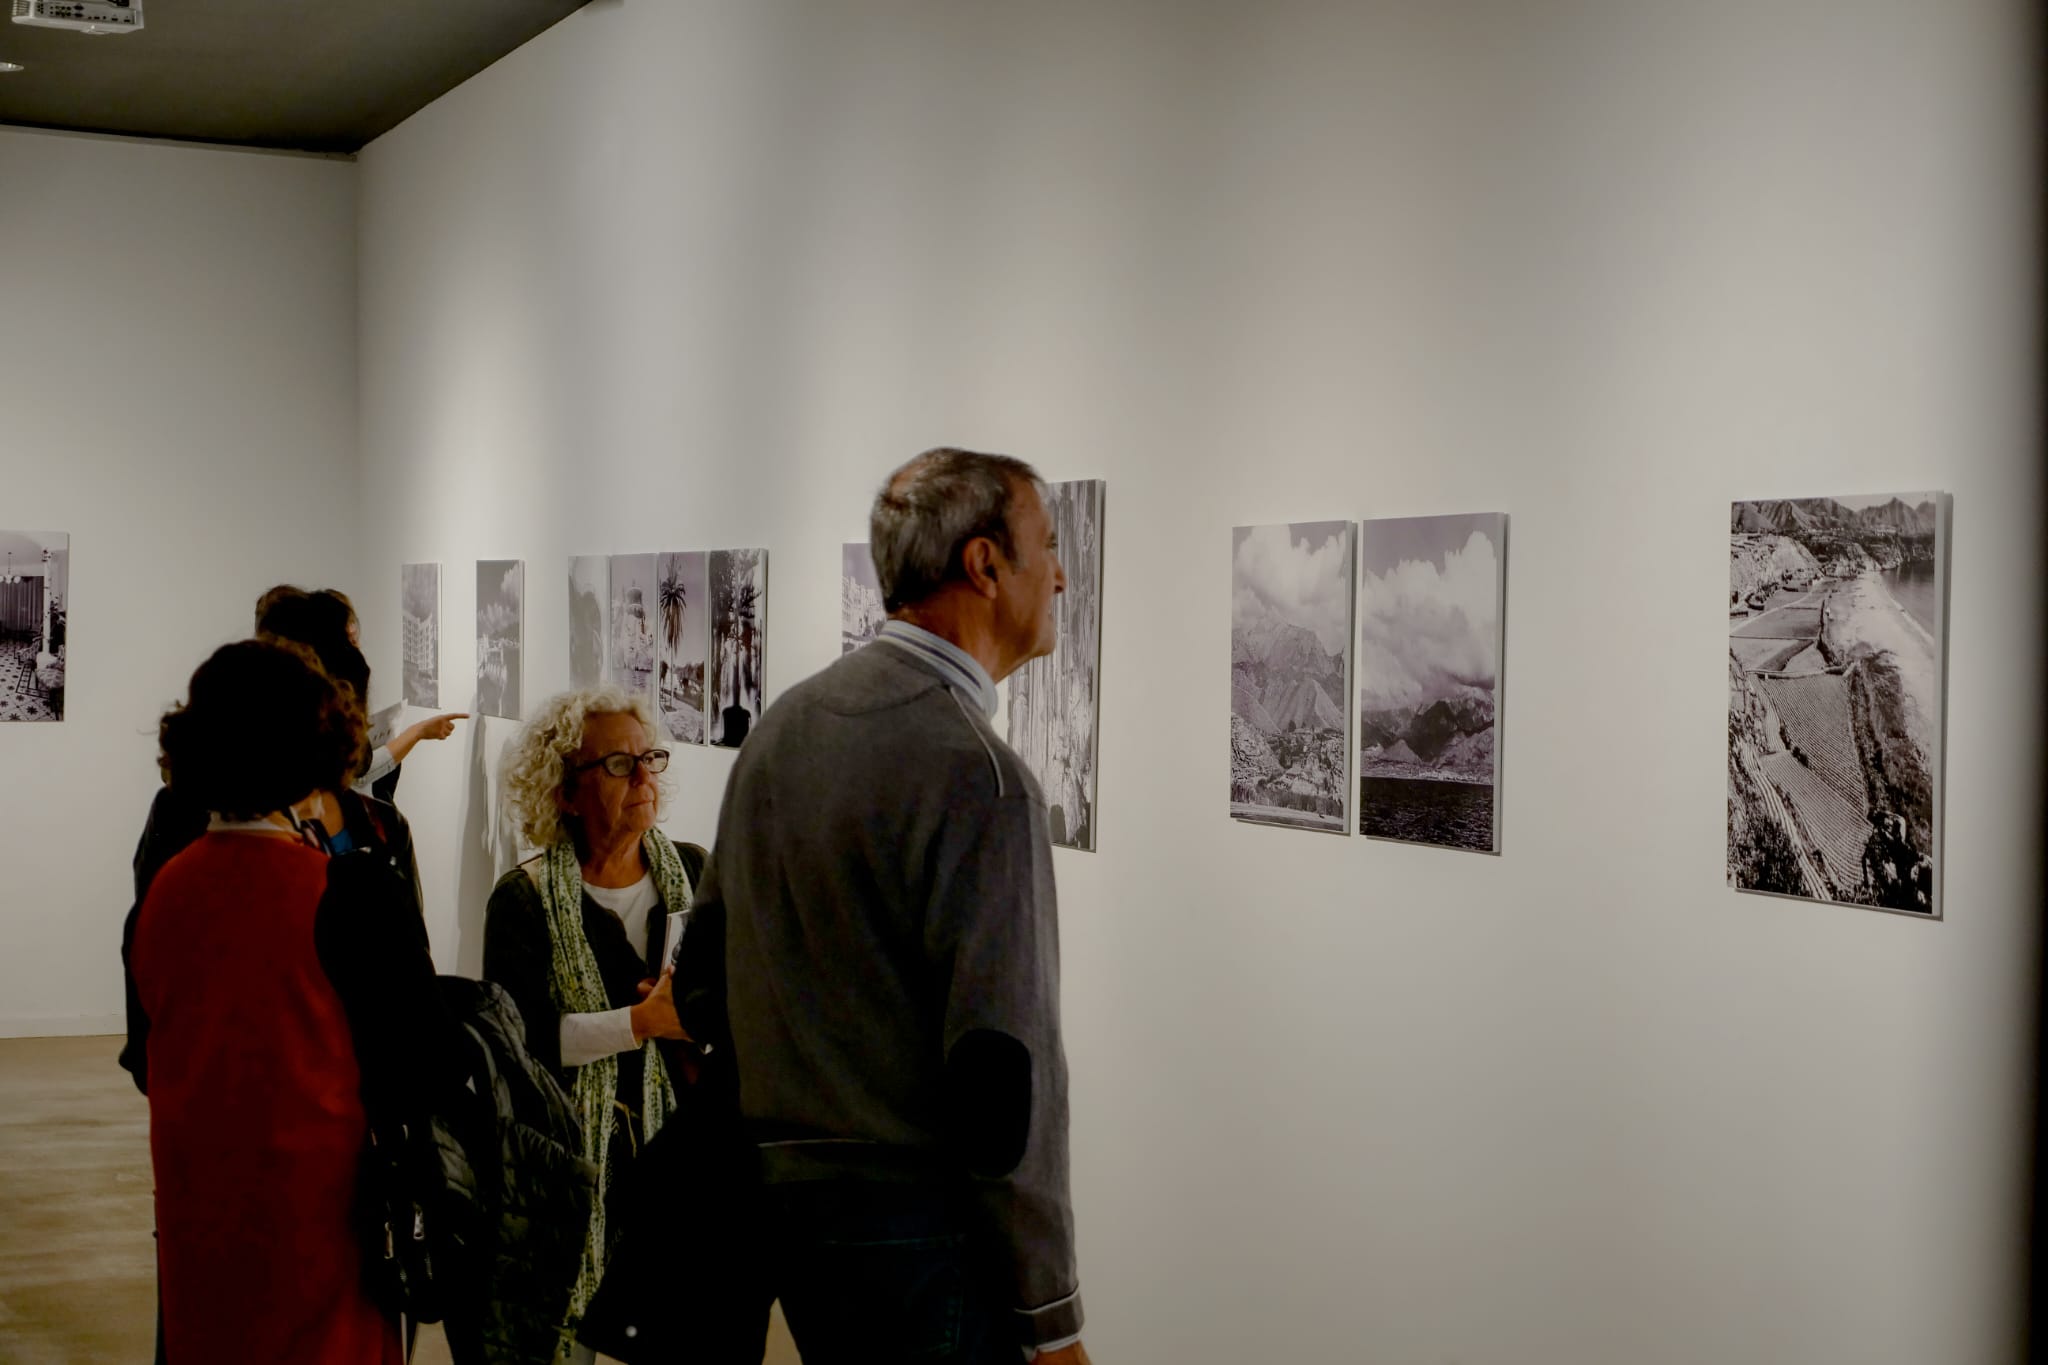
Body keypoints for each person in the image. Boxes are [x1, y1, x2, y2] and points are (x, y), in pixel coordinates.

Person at [680, 447, 1092, 1363]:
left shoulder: (782, 727)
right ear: (985, 565)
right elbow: (1004, 1085)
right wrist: (1053, 1318)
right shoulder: (981, 777)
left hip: (789, 1220)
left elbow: (702, 980)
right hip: (925, 1239)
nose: (1062, 575)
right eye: (1049, 546)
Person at [131, 638, 449, 1364]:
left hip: (197, 1212)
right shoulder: (349, 891)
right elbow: (425, 1063)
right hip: (321, 1225)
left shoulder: (167, 890)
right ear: (321, 742)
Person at [482, 686, 706, 1364]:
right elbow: (522, 1041)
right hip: (567, 1177)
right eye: (617, 764)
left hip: (680, 1171)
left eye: (650, 759)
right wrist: (640, 1022)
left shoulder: (694, 874)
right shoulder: (522, 901)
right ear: (564, 792)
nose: (644, 777)